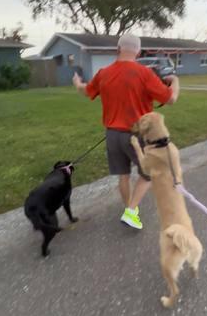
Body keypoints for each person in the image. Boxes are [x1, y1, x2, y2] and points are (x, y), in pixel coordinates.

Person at [72, 33, 180, 229]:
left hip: (112, 134)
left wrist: (77, 83)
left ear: (118, 49)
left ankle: (132, 210)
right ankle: (131, 211)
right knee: (149, 174)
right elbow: (171, 99)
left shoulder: (104, 73)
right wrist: (175, 81)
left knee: (123, 175)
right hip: (137, 135)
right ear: (138, 52)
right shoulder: (145, 73)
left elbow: (86, 90)